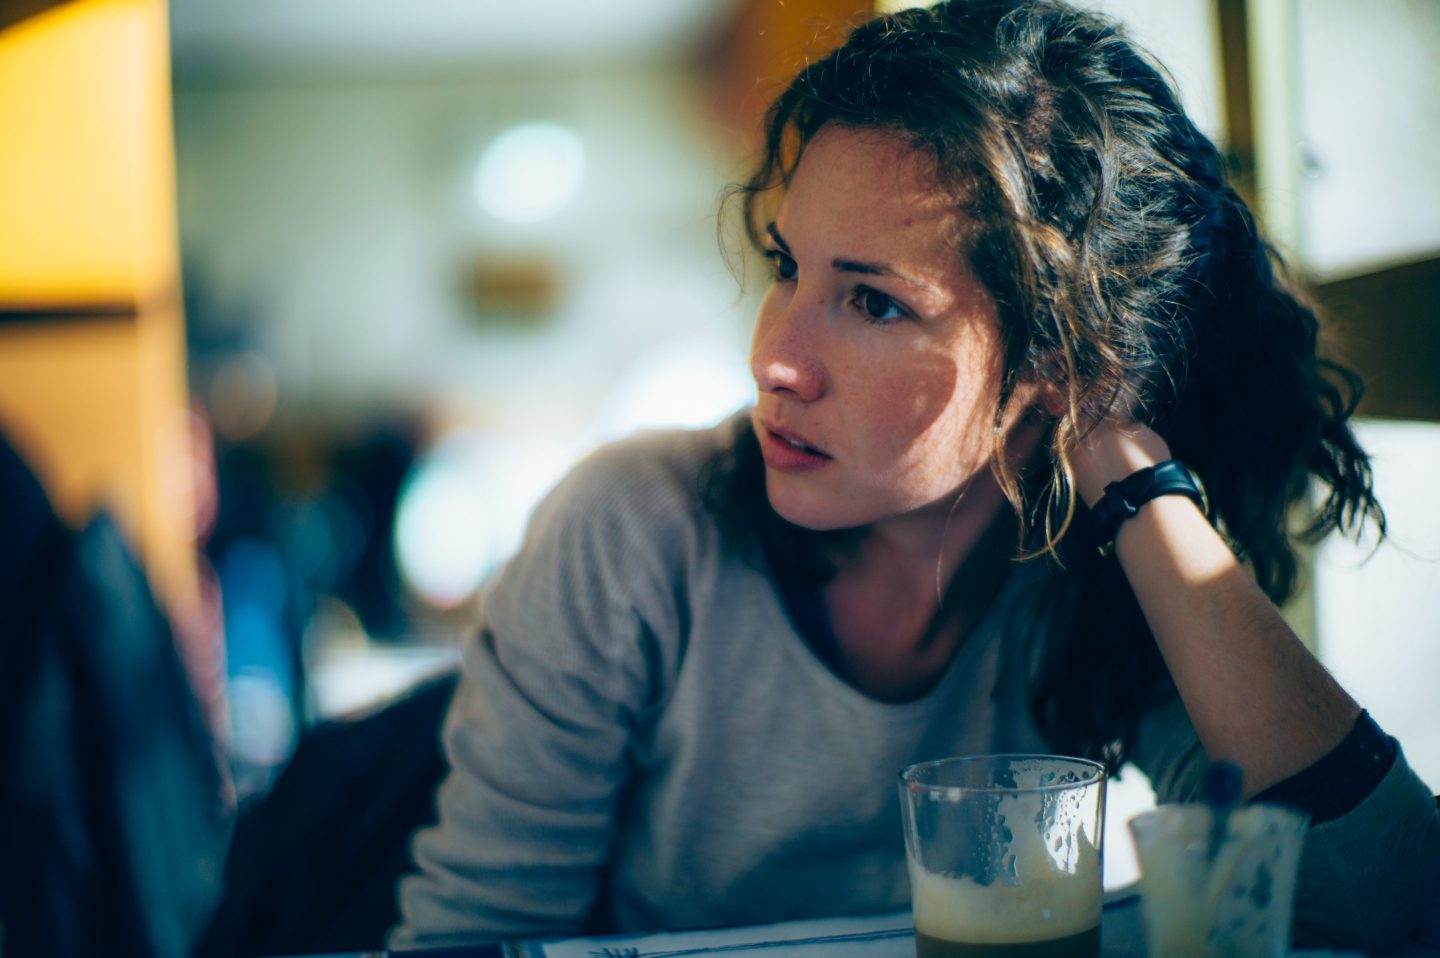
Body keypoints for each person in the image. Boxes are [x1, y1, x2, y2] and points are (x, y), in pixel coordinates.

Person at [391, 0, 1439, 951]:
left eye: (875, 302)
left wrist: (1133, 479)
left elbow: (1384, 911)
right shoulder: (631, 531)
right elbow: (471, 940)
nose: (774, 359)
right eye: (787, 268)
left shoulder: (1084, 572)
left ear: (1058, 363)